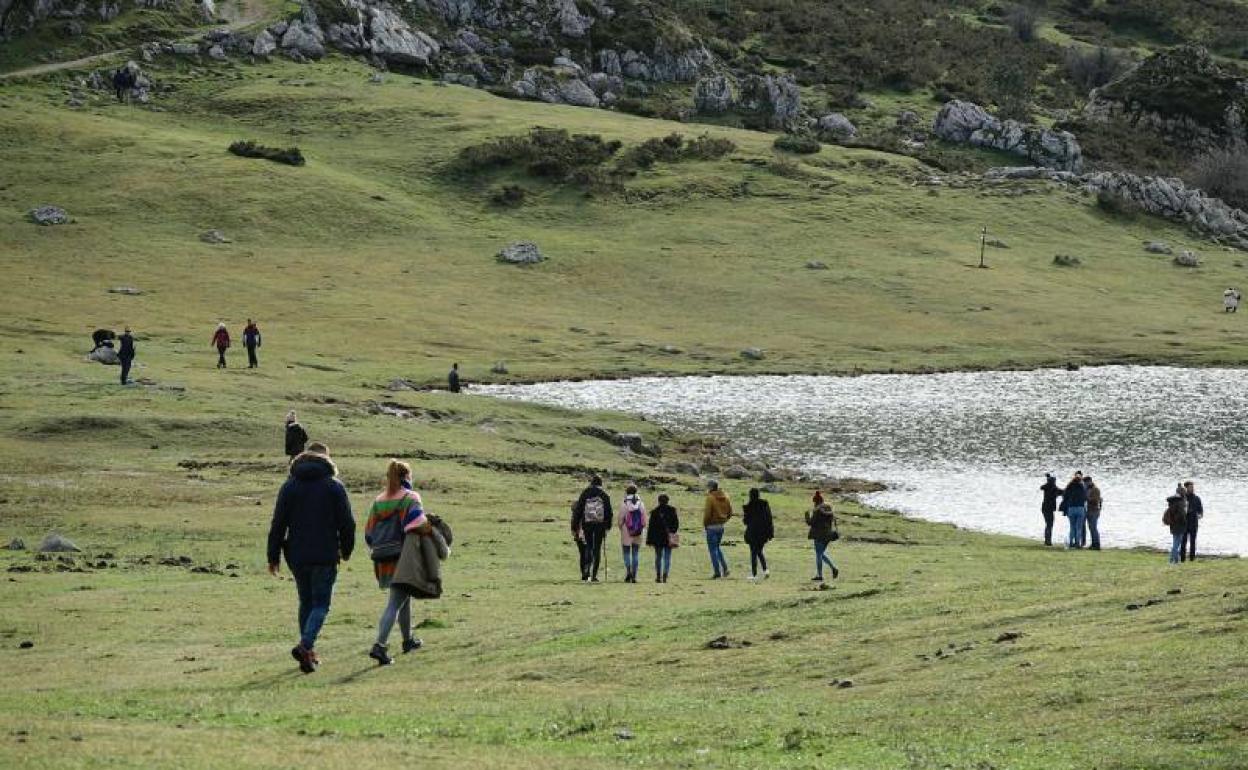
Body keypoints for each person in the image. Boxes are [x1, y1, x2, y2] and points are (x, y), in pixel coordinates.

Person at [266, 442, 355, 673]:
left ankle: (307, 653)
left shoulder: (289, 486)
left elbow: (278, 523)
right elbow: (347, 523)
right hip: (325, 554)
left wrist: (272, 555)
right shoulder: (334, 486)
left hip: (297, 555)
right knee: (321, 604)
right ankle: (305, 645)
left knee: (305, 602)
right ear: (327, 460)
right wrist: (346, 550)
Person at [364, 460, 426, 665]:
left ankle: (408, 640)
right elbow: (418, 527)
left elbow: (368, 534)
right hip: (404, 558)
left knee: (402, 598)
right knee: (394, 603)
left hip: (383, 558)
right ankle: (379, 646)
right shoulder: (411, 498)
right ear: (407, 477)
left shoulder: (379, 501)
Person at [571, 475, 612, 582]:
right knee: (597, 549)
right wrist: (607, 526)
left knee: (588, 547)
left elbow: (578, 510)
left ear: (591, 483)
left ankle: (586, 572)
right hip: (600, 525)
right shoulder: (604, 495)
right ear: (600, 484)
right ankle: (594, 575)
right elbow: (609, 512)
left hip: (587, 524)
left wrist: (575, 526)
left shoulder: (585, 493)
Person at [645, 493, 679, 583]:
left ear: (658, 501)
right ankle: (665, 575)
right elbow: (676, 524)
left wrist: (649, 540)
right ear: (668, 500)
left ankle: (658, 575)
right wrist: (672, 532)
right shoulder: (672, 510)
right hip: (668, 537)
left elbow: (651, 527)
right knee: (667, 557)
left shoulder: (655, 512)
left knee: (658, 557)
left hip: (657, 538)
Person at [703, 480, 733, 579]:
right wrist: (724, 520)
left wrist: (705, 524)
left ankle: (717, 572)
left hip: (711, 526)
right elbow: (730, 513)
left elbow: (707, 514)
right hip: (721, 526)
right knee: (717, 548)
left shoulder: (710, 498)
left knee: (713, 550)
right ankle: (725, 569)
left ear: (711, 488)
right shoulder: (726, 497)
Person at [742, 488, 774, 580]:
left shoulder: (749, 506)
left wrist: (745, 510)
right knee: (759, 551)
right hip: (763, 533)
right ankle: (765, 570)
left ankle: (754, 574)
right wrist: (770, 533)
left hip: (752, 532)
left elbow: (746, 521)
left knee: (753, 553)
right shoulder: (764, 504)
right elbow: (769, 519)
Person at [618, 485, 647, 583]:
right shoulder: (641, 504)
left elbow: (620, 519)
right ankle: (634, 575)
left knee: (626, 552)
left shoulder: (624, 504)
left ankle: (628, 572)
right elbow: (644, 520)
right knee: (635, 553)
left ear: (627, 492)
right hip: (638, 531)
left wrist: (621, 528)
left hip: (627, 531)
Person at [805, 501, 839, 581]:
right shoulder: (830, 512)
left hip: (818, 535)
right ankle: (833, 569)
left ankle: (820, 575)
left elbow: (811, 523)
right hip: (828, 536)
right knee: (821, 554)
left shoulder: (817, 512)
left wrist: (807, 515)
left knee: (819, 555)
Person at [1062, 471, 1087, 549]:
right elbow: (1085, 498)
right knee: (1078, 527)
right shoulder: (1082, 487)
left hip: (1071, 508)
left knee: (1072, 527)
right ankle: (1077, 543)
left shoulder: (1069, 487)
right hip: (1080, 508)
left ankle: (1070, 542)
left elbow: (1064, 496)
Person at [1163, 492, 1187, 565]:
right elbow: (1183, 517)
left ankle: (1174, 561)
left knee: (1175, 543)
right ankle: (1172, 561)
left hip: (1173, 527)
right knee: (1176, 545)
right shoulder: (1180, 506)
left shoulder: (1170, 507)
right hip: (1180, 528)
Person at [1181, 481, 1203, 562]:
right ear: (1186, 488)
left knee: (1193, 542)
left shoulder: (1197, 498)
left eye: (1192, 487)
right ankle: (1182, 559)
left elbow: (1201, 511)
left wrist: (1199, 515)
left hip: (1194, 523)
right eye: (1190, 487)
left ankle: (1192, 559)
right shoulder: (1183, 498)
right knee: (1183, 542)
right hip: (1184, 524)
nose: (1192, 489)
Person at [1039, 473, 1062, 546]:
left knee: (1048, 524)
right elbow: (1062, 492)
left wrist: (1048, 478)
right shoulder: (1054, 488)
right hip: (1049, 509)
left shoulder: (1046, 487)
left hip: (1044, 508)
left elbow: (1043, 486)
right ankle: (1048, 541)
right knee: (1050, 524)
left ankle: (1047, 540)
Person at [1084, 476, 1103, 550]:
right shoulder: (1088, 489)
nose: (1085, 484)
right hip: (1089, 510)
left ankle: (1097, 544)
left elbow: (1095, 500)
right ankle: (1093, 543)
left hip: (1094, 511)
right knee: (1091, 528)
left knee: (1094, 528)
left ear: (1089, 481)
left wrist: (1087, 498)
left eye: (1086, 482)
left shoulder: (1095, 489)